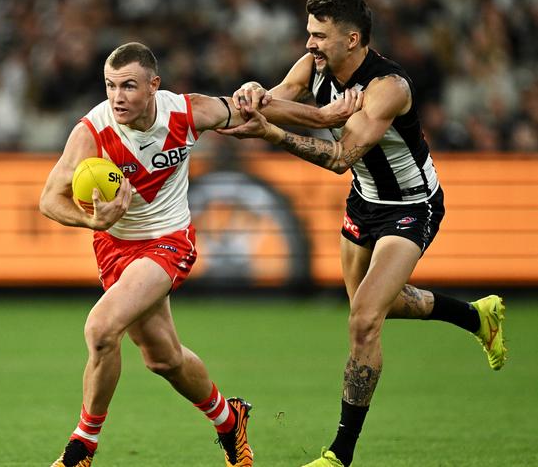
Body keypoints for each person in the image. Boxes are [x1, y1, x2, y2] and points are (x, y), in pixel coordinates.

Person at [220, 0, 507, 467]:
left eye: (319, 35)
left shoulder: (388, 88)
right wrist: (255, 95)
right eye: (308, 33)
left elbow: (339, 157)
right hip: (365, 200)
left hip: (411, 206)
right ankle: (477, 316)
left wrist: (271, 131)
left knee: (363, 320)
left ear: (352, 39)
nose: (309, 44)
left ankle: (340, 454)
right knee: (379, 305)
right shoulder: (315, 67)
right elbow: (279, 98)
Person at [39, 41, 354, 467]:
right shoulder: (92, 132)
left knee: (100, 329)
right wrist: (93, 222)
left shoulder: (187, 112)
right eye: (110, 86)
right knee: (163, 359)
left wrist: (321, 116)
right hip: (115, 247)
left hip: (169, 241)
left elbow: (254, 111)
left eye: (128, 86)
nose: (117, 97)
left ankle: (82, 448)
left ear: (154, 85)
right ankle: (229, 420)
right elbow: (49, 200)